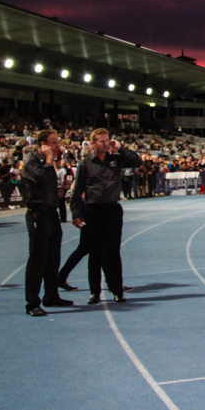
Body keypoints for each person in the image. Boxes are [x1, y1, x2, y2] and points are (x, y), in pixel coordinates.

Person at [70, 128, 141, 305]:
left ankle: (117, 290)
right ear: (93, 143)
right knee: (94, 253)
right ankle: (95, 292)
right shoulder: (86, 163)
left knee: (113, 252)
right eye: (101, 141)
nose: (105, 144)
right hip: (93, 210)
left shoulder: (116, 160)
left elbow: (137, 161)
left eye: (107, 140)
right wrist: (75, 213)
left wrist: (120, 148)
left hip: (113, 210)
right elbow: (77, 190)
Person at [20, 130, 74, 316]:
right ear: (42, 145)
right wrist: (49, 159)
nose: (56, 146)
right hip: (38, 215)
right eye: (53, 143)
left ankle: (51, 296)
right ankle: (32, 303)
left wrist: (59, 191)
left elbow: (46, 187)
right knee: (37, 260)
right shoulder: (32, 162)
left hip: (51, 214)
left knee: (53, 259)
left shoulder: (49, 164)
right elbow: (40, 178)